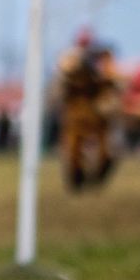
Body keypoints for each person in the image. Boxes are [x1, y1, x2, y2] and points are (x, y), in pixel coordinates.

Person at [54, 34, 120, 191]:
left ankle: (96, 177)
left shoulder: (101, 61)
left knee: (106, 151)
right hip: (76, 114)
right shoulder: (70, 60)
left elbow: (112, 82)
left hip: (96, 113)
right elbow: (64, 80)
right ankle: (77, 179)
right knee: (73, 151)